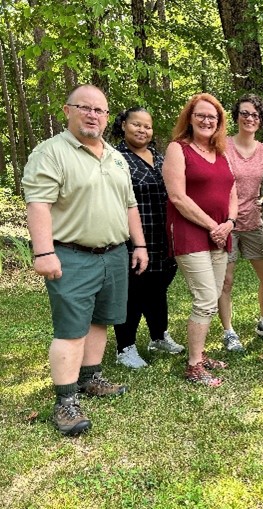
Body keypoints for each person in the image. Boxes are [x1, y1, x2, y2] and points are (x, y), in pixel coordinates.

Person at [23, 84, 149, 436]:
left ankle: (91, 378)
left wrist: (138, 246)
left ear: (107, 117)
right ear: (68, 111)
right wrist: (43, 251)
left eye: (100, 110)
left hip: (113, 254)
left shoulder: (115, 156)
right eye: (85, 107)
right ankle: (65, 402)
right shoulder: (51, 153)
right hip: (71, 255)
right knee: (71, 330)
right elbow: (39, 204)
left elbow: (129, 206)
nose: (93, 115)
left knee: (100, 321)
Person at [163, 93, 237, 387]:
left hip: (220, 232)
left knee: (216, 291)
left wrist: (229, 223)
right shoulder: (177, 149)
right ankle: (194, 366)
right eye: (201, 115)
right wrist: (213, 226)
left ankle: (200, 354)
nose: (207, 121)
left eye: (213, 117)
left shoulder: (221, 152)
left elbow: (232, 191)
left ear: (219, 122)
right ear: (190, 118)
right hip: (190, 231)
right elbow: (178, 197)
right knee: (205, 298)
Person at [110, 107, 183, 369]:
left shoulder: (160, 157)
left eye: (147, 126)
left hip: (163, 236)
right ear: (123, 126)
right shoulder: (115, 158)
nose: (143, 130)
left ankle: (158, 336)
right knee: (133, 293)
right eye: (136, 125)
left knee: (158, 289)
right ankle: (125, 347)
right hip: (133, 238)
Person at [218, 94, 263, 352]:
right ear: (236, 116)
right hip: (226, 223)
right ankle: (228, 331)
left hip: (253, 222)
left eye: (255, 115)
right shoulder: (222, 145)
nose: (249, 118)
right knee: (226, 280)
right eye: (244, 113)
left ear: (261, 120)